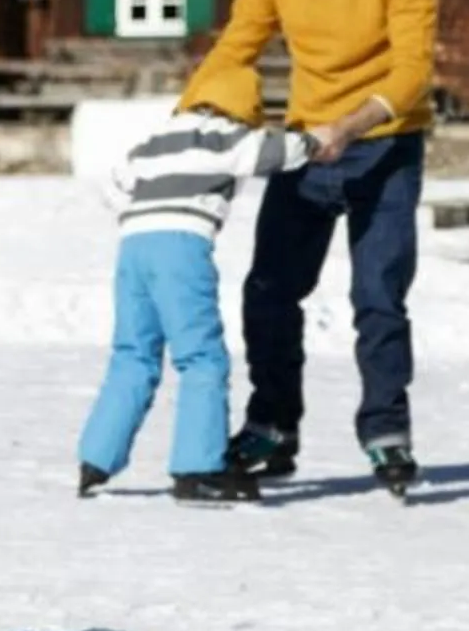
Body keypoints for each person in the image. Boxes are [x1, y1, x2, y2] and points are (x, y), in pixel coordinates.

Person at [173, 0, 438, 500]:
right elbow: (236, 47)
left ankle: (385, 430)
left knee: (377, 295)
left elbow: (412, 71)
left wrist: (350, 125)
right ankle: (273, 426)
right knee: (269, 291)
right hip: (305, 148)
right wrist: (188, 118)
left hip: (386, 145)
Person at [78, 105, 312, 502]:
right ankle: (197, 470)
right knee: (201, 358)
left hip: (134, 246)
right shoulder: (224, 136)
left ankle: (95, 461)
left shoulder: (155, 142)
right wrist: (319, 137)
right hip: (181, 247)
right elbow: (280, 152)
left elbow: (113, 191)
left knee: (133, 354)